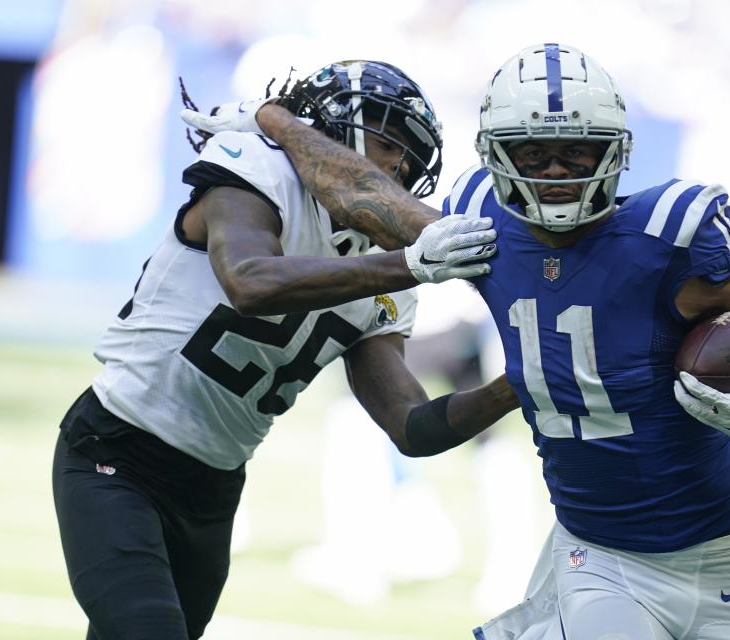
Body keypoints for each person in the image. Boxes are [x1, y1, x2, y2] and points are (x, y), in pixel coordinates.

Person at [185, 43, 730, 639]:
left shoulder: (665, 239)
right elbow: (364, 193)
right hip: (602, 556)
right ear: (499, 155)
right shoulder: (486, 234)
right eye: (532, 153)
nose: (555, 170)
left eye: (575, 152)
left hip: (729, 548)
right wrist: (277, 120)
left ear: (612, 152)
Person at [53, 59, 520, 640]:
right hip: (118, 451)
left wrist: (518, 386)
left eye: (408, 157)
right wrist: (407, 264)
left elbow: (411, 427)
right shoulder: (255, 168)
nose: (397, 167)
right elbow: (250, 281)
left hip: (214, 487)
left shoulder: (389, 274)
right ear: (329, 128)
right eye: (386, 142)